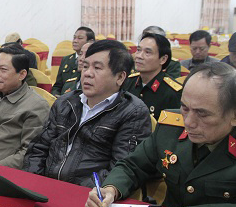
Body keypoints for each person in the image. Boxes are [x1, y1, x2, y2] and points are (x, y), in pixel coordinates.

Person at [86, 62, 236, 207]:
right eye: (185, 108)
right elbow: (133, 165)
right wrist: (111, 189)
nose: (188, 122)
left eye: (202, 114)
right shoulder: (170, 127)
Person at [23, 40, 152, 187]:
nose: (87, 73)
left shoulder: (132, 112)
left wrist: (77, 192)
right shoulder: (66, 102)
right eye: (85, 66)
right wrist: (33, 183)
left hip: (88, 194)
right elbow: (38, 148)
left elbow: (121, 169)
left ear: (120, 77)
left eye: (97, 68)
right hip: (45, 187)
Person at [124, 33, 182, 120]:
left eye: (147, 52)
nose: (139, 56)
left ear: (163, 59)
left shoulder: (172, 93)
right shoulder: (128, 82)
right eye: (138, 50)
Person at [51, 27, 95, 96]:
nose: (75, 41)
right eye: (74, 38)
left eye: (80, 38)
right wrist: (56, 96)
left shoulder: (93, 60)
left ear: (90, 41)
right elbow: (57, 86)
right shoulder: (66, 59)